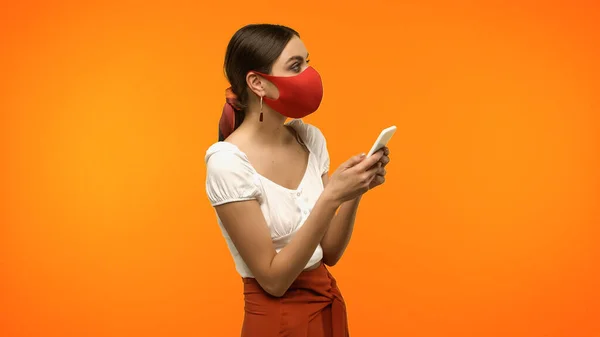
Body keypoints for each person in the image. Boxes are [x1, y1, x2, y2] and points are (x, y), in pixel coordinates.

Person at [204, 23, 391, 337]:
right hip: (277, 322)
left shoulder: (309, 138)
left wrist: (355, 190)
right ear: (257, 83)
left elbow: (329, 251)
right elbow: (274, 281)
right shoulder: (227, 162)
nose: (309, 73)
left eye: (307, 62)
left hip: (325, 307)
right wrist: (332, 196)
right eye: (295, 66)